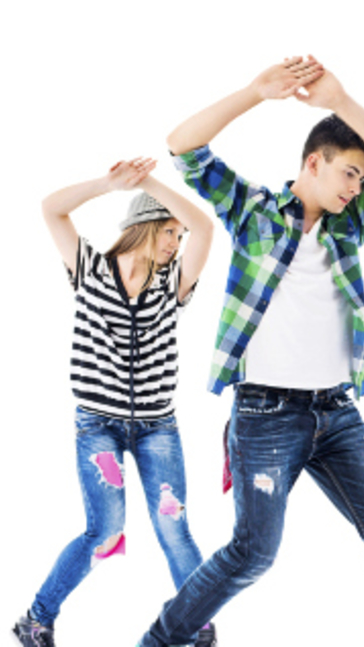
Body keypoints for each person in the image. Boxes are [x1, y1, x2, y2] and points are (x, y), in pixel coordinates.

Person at [135, 56, 364, 647]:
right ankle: (160, 641)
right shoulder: (252, 212)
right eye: (349, 174)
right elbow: (183, 147)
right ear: (313, 163)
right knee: (253, 554)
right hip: (266, 414)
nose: (357, 189)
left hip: (338, 412)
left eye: (360, 179)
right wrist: (256, 92)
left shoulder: (350, 226)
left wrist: (342, 101)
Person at [14, 158, 215, 647]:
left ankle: (197, 624)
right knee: (105, 531)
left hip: (156, 427)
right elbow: (51, 209)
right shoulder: (89, 268)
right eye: (169, 231)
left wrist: (151, 182)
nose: (176, 242)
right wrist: (109, 184)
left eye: (178, 235)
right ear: (143, 227)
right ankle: (36, 619)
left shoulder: (174, 283)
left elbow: (205, 226)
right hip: (97, 425)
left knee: (174, 529)